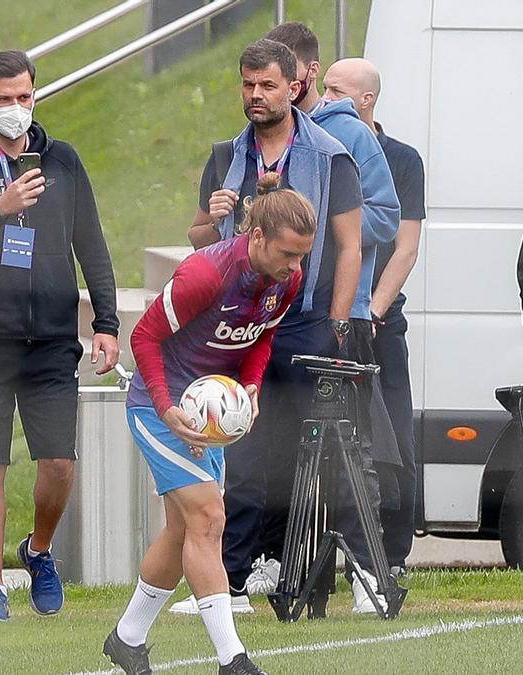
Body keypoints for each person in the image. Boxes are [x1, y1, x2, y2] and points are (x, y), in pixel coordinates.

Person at [0, 49, 119, 621]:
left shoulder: (62, 160)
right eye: (5, 98)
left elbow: (91, 244)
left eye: (25, 97)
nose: (16, 108)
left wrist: (106, 324)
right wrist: (0, 207)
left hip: (53, 336)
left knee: (59, 462)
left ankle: (38, 550)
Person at [180, 38, 363, 614]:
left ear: (294, 87)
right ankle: (232, 581)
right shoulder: (225, 155)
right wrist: (211, 221)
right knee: (245, 449)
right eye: (247, 85)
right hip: (242, 318)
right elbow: (201, 242)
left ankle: (297, 574)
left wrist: (337, 323)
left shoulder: (331, 155)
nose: (255, 96)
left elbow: (350, 246)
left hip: (306, 318)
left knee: (303, 453)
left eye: (267, 85)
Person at [105, 173, 312, 675]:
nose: (296, 267)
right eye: (288, 254)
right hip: (164, 407)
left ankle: (127, 638)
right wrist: (165, 407)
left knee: (183, 530)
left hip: (212, 412)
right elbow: (145, 339)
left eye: (303, 256)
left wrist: (253, 387)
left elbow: (261, 336)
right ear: (256, 237)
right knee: (209, 519)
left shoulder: (288, 279)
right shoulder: (205, 274)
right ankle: (232, 659)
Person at [263, 22, 400, 611]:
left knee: (351, 451)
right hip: (280, 317)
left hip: (340, 320)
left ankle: (369, 575)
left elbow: (386, 220)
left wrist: (323, 226)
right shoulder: (263, 140)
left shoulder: (347, 138)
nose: (267, 93)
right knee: (281, 455)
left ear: (304, 74)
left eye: (277, 79)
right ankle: (295, 580)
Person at [323, 56, 425, 575]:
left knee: (394, 443)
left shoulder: (401, 159)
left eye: (335, 89)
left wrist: (374, 308)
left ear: (365, 99)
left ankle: (395, 555)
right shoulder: (319, 147)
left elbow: (403, 246)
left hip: (379, 318)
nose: (323, 97)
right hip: (342, 313)